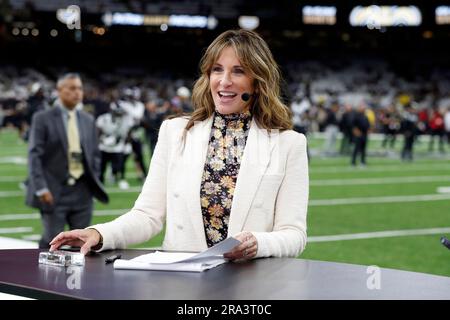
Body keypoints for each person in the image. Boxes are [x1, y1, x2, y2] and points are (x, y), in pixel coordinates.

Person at [49, 30, 309, 261]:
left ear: (258, 81)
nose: (224, 81)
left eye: (238, 71)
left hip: (253, 288)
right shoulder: (175, 132)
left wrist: (259, 243)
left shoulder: (289, 144)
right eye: (217, 69)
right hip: (182, 283)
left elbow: (294, 235)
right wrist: (99, 233)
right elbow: (147, 215)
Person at [26, 73, 109, 249]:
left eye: (79, 88)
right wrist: (41, 187)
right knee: (51, 243)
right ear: (59, 90)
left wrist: (92, 183)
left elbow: (94, 154)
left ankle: (78, 278)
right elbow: (35, 155)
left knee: (81, 245)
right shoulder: (42, 118)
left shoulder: (88, 119)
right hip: (54, 190)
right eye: (72, 88)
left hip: (82, 191)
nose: (77, 92)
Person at [351, 102, 370, 166]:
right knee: (356, 149)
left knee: (363, 149)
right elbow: (353, 125)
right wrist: (356, 132)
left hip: (364, 135)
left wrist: (368, 131)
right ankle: (353, 162)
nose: (364, 109)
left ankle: (363, 162)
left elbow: (368, 125)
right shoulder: (356, 116)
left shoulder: (365, 116)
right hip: (358, 135)